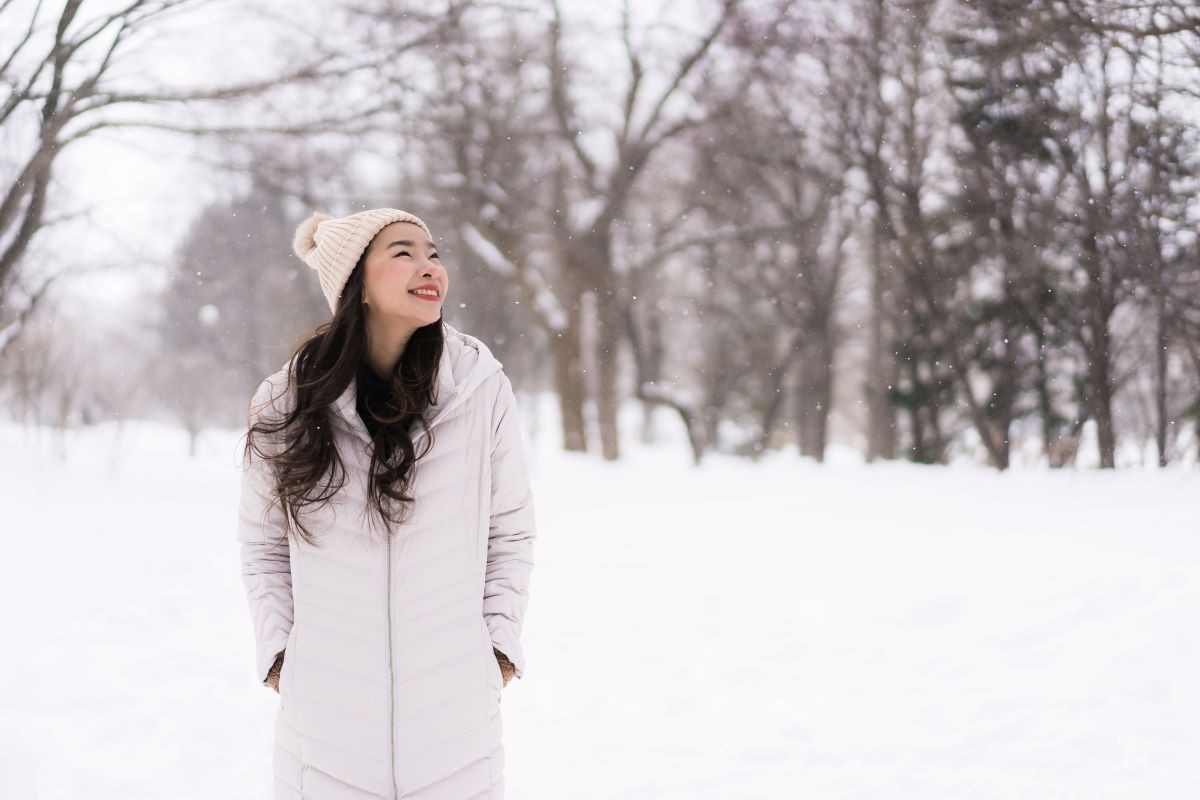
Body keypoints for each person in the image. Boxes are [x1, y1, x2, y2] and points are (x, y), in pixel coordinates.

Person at [237, 208, 536, 800]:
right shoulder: (287, 402)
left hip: (456, 726)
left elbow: (510, 533)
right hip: (325, 729)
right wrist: (281, 657)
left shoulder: (479, 388)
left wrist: (495, 650)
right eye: (403, 252)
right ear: (356, 285)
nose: (429, 266)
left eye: (433, 252)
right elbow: (264, 545)